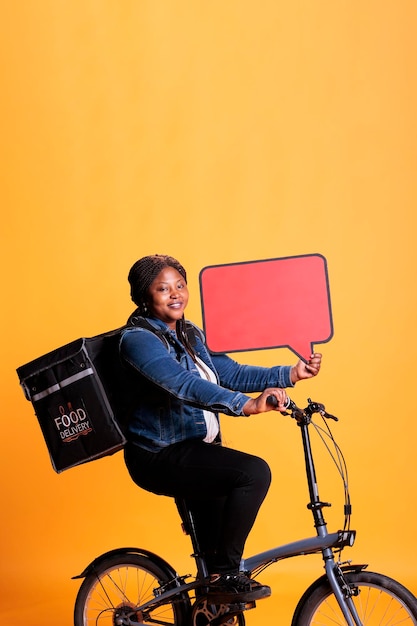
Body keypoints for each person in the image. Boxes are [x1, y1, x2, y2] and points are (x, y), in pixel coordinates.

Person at [120, 254, 322, 604]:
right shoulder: (137, 340)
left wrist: (290, 373)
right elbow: (183, 384)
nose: (175, 294)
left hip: (196, 450)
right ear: (144, 296)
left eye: (180, 285)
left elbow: (231, 373)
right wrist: (246, 405)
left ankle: (215, 586)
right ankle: (228, 572)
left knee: (214, 577)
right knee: (252, 473)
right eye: (163, 288)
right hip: (158, 454)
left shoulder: (190, 333)